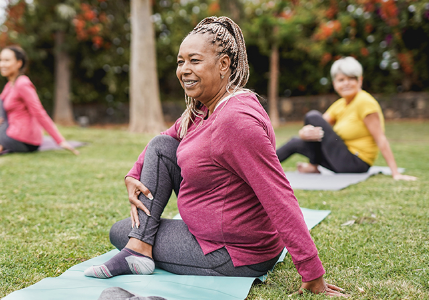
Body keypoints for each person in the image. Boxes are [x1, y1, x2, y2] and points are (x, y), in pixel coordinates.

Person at [84, 17, 347, 297]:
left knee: (120, 231)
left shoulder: (236, 120)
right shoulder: (204, 108)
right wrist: (133, 173)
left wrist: (312, 272)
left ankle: (138, 247)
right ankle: (139, 247)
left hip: (233, 253)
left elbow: (278, 194)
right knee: (161, 147)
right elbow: (166, 138)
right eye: (180, 61)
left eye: (194, 61)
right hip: (214, 235)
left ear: (223, 65)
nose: (184, 70)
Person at [276, 57, 416, 181]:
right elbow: (318, 125)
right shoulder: (340, 104)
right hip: (339, 159)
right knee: (295, 142)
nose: (346, 83)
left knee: (312, 115)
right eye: (341, 80)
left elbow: (380, 138)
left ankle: (313, 166)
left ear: (360, 80)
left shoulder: (364, 102)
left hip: (356, 162)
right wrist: (304, 133)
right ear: (335, 83)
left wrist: (395, 173)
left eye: (351, 79)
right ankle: (259, 170)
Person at [0, 46, 79, 156]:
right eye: (0, 60)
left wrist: (60, 140)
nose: (1, 64)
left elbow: (39, 112)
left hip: (22, 140)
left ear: (19, 63)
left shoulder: (22, 83)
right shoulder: (9, 86)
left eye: (6, 60)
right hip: (13, 137)